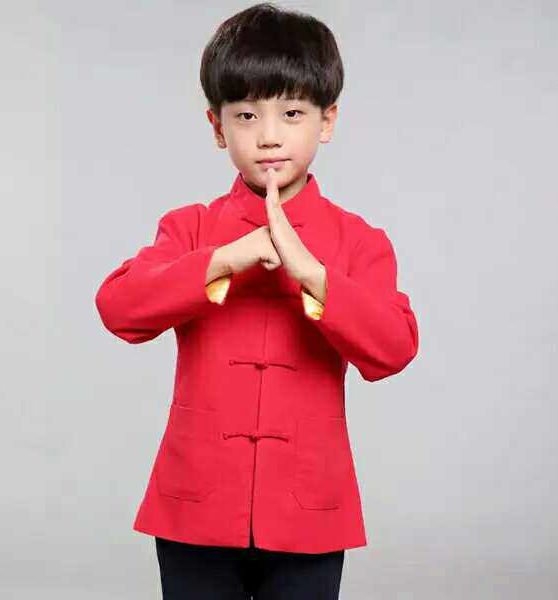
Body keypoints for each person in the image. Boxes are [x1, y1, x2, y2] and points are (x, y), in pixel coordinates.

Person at [94, 3, 419, 599]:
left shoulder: (358, 240)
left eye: (292, 113)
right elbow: (119, 308)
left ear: (326, 120)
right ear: (218, 127)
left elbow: (393, 349)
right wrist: (224, 260)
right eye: (246, 115)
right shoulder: (190, 227)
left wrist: (312, 274)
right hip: (194, 507)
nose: (269, 135)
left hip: (309, 511)